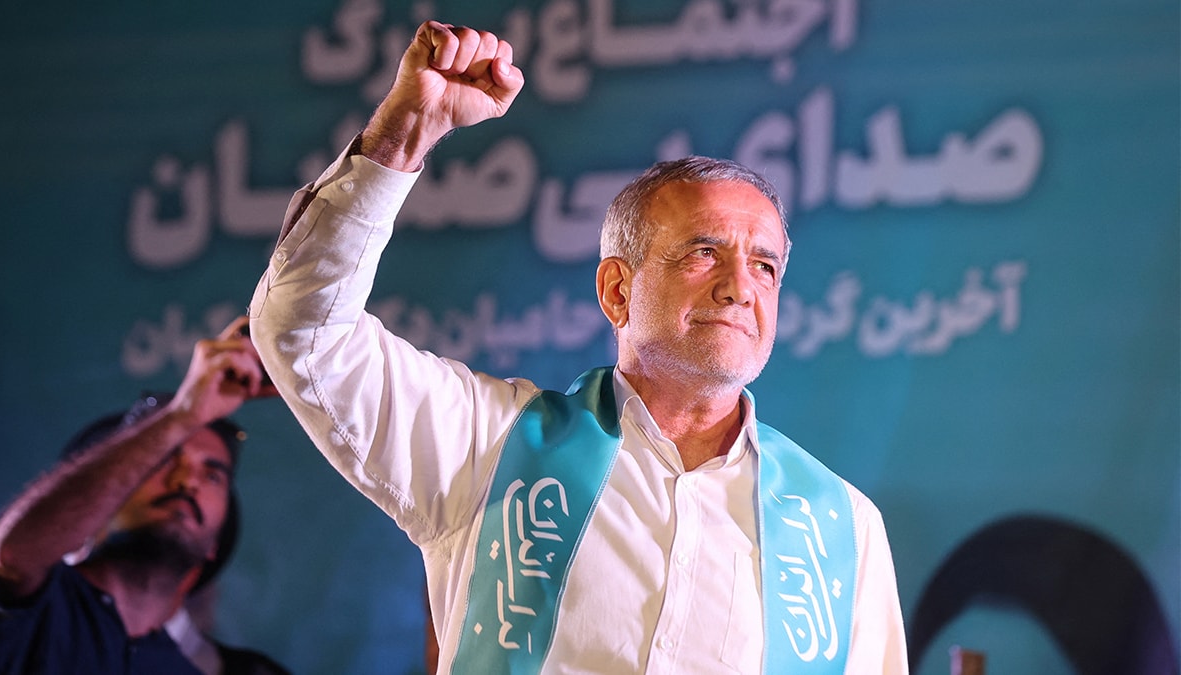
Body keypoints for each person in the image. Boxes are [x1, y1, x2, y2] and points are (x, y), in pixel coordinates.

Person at [249, 20, 909, 674]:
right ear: (618, 291)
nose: (741, 287)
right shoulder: (486, 444)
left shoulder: (840, 528)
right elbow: (303, 332)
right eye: (704, 253)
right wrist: (406, 129)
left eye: (765, 266)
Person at [0, 316, 290, 675]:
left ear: (215, 546)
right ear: (98, 504)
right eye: (163, 460)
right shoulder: (23, 615)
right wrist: (183, 415)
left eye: (212, 475)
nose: (185, 481)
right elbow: (12, 555)